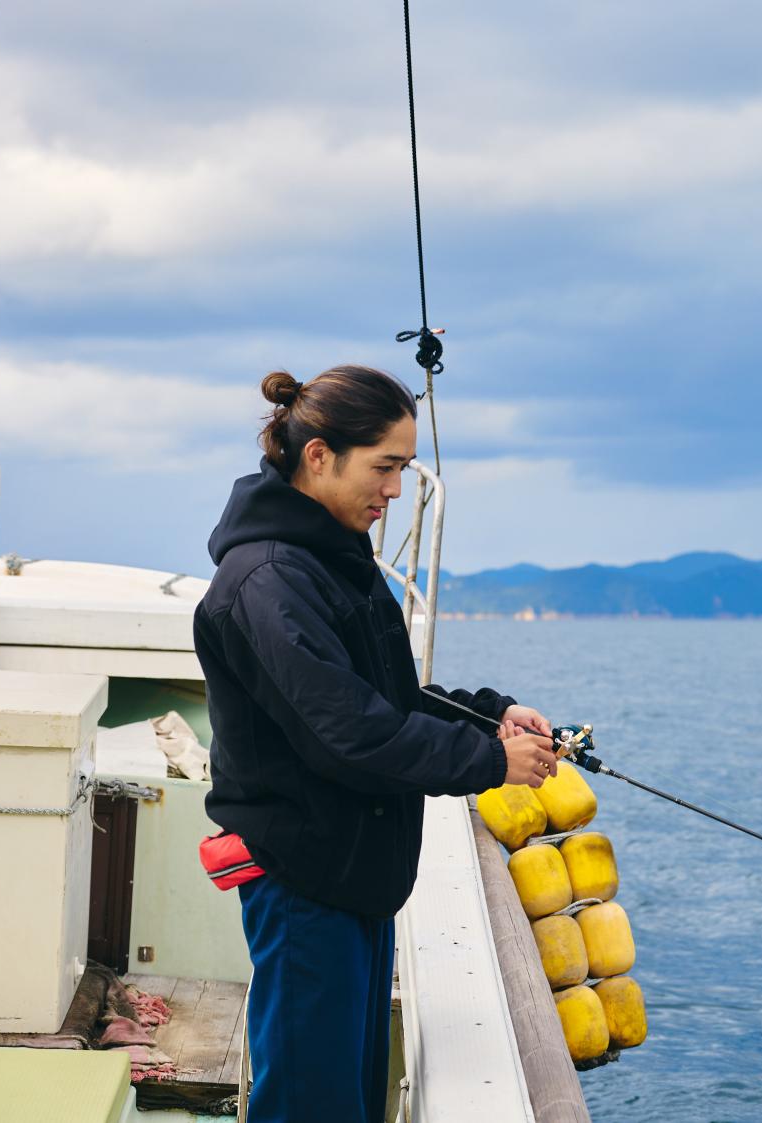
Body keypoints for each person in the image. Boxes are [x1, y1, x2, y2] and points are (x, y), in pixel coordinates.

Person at [193, 365, 559, 1123]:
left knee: (347, 1100)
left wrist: (492, 716)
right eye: (385, 466)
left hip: (352, 875)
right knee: (310, 1106)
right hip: (303, 880)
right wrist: (491, 762)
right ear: (319, 455)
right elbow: (350, 733)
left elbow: (389, 696)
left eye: (403, 468)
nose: (394, 489)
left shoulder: (332, 559)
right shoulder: (266, 580)